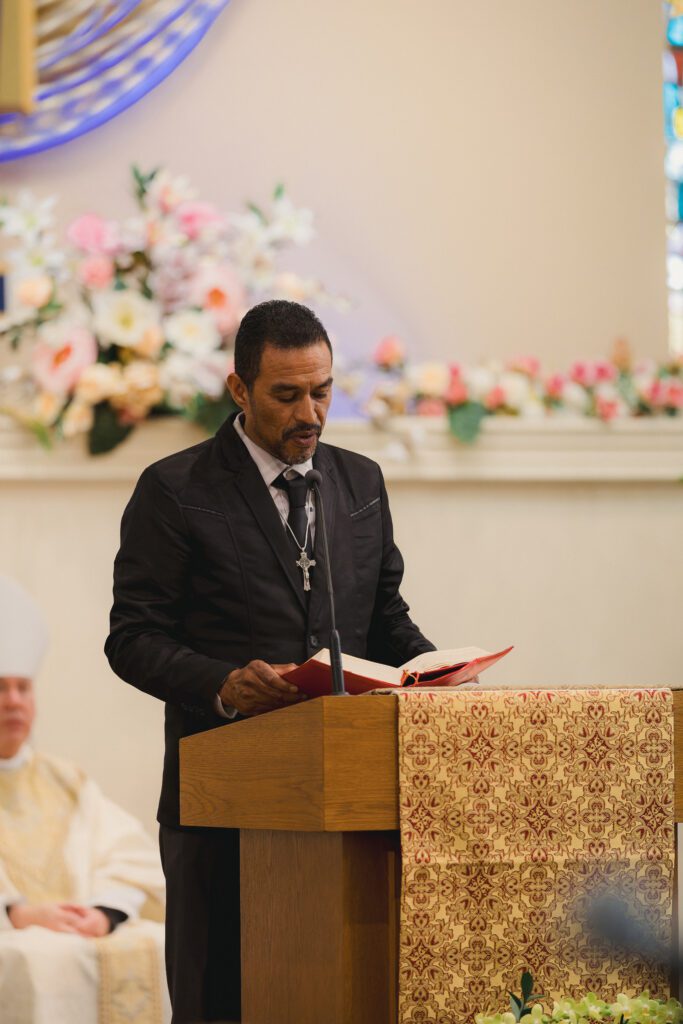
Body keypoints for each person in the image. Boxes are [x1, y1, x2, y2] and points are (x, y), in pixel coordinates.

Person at [105, 299, 436, 1023]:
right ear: (239, 389)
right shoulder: (176, 489)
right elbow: (132, 638)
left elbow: (383, 620)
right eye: (286, 395)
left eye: (321, 391)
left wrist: (435, 673)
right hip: (221, 805)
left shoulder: (359, 483)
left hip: (347, 805)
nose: (309, 414)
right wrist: (222, 685)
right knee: (220, 1003)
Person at [0, 575, 170, 1024]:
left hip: (79, 931)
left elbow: (130, 859)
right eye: (0, 688)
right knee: (34, 962)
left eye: (23, 688)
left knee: (160, 946)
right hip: (14, 938)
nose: (13, 702)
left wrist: (104, 913)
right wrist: (18, 913)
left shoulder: (65, 781)